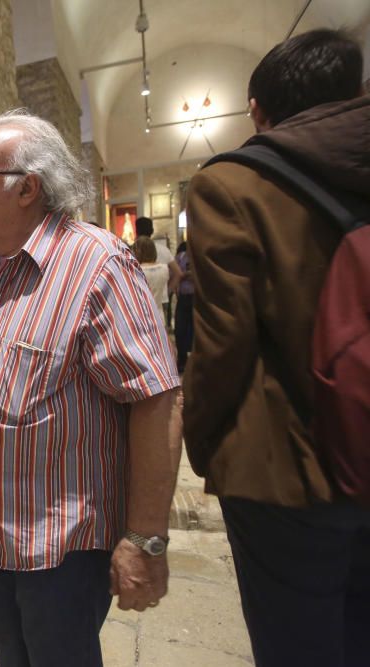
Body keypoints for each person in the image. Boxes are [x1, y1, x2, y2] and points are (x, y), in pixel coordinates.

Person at [0, 109, 181, 667]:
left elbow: (155, 399)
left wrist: (144, 538)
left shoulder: (96, 264)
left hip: (57, 547)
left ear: (28, 188)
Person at [183, 29, 370, 667]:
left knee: (299, 643)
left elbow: (224, 342)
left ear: (259, 110)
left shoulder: (234, 185)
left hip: (292, 464)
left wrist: (202, 442)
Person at [135, 216, 182, 328]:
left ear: (136, 230)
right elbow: (178, 273)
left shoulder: (133, 250)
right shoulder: (163, 249)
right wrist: (167, 290)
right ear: (152, 230)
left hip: (140, 304)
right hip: (161, 299)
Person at [133, 236, 169, 325]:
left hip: (143, 317)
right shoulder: (164, 268)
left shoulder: (137, 271)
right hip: (159, 314)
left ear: (138, 252)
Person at [173, 242, 193, 373]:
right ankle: (182, 360)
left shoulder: (199, 256)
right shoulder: (180, 257)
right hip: (183, 298)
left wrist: (184, 275)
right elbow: (176, 275)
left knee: (195, 330)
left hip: (197, 297)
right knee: (179, 330)